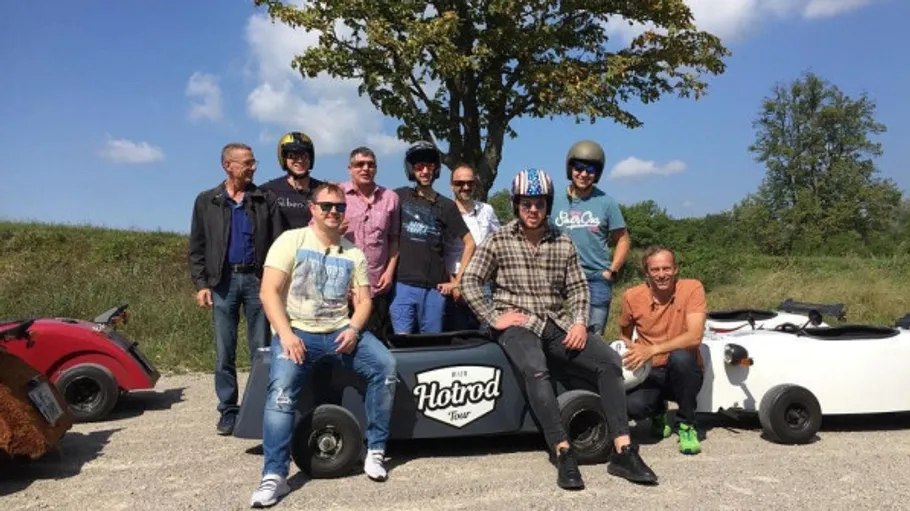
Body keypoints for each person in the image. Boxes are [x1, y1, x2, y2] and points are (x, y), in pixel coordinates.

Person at [460, 167, 658, 490]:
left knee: (609, 361)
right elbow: (470, 280)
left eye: (539, 203)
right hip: (519, 324)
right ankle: (563, 452)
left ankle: (623, 449)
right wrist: (494, 318)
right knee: (536, 370)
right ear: (515, 205)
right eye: (526, 203)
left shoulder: (563, 242)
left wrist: (579, 321)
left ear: (548, 204)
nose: (533, 210)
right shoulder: (498, 240)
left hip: (556, 323)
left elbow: (579, 288)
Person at [250, 183, 398, 508]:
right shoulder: (291, 241)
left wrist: (355, 329)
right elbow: (269, 292)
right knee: (281, 392)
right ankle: (274, 476)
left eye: (340, 208)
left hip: (339, 332)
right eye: (327, 206)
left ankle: (375, 451)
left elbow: (363, 301)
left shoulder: (353, 253)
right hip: (297, 332)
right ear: (313, 209)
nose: (334, 212)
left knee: (385, 367)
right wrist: (286, 335)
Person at [188, 142, 283, 436]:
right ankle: (228, 410)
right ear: (228, 165)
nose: (253, 167)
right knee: (224, 351)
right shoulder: (207, 201)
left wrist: (276, 282)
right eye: (247, 163)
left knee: (261, 349)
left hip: (257, 282)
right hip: (223, 282)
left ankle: (260, 410)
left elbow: (279, 242)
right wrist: (202, 284)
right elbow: (197, 246)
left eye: (254, 162)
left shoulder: (264, 198)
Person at [618, 245, 707, 455]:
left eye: (666, 269)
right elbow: (623, 334)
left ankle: (687, 424)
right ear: (646, 272)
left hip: (683, 371)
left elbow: (695, 336)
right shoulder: (631, 296)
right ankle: (658, 413)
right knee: (633, 406)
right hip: (651, 371)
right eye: (655, 270)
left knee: (681, 357)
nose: (661, 275)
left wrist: (652, 349)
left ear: (675, 269)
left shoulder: (692, 288)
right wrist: (634, 350)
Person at [391, 141, 475, 334]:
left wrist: (457, 281)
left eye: (430, 166)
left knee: (433, 345)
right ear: (412, 169)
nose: (425, 171)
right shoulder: (398, 196)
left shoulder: (446, 206)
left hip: (434, 289)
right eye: (419, 166)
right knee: (402, 343)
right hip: (403, 285)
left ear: (436, 169)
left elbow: (470, 242)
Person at [550, 140, 631, 337]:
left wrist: (612, 270)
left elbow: (623, 238)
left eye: (590, 169)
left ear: (598, 173)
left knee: (593, 334)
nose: (584, 174)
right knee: (554, 329)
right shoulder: (553, 200)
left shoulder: (607, 202)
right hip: (558, 275)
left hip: (596, 276)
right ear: (570, 168)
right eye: (578, 167)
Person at [341, 146, 400, 339]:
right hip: (342, 286)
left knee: (375, 341)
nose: (365, 168)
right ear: (350, 168)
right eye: (360, 164)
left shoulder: (390, 198)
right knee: (342, 341)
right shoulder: (336, 195)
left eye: (370, 164)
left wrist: (389, 272)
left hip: (376, 284)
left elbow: (394, 239)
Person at [442, 163, 501, 331]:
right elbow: (441, 252)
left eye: (470, 183)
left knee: (487, 334)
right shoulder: (444, 211)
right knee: (456, 337)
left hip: (482, 284)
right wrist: (455, 284)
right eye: (460, 183)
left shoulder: (487, 210)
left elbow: (499, 242)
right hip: (452, 284)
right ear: (452, 185)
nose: (465, 187)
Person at [260, 131, 325, 230]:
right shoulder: (268, 191)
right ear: (284, 159)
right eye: (293, 156)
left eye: (304, 156)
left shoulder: (323, 190)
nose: (299, 160)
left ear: (310, 158)